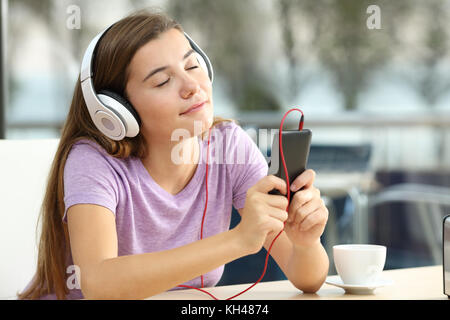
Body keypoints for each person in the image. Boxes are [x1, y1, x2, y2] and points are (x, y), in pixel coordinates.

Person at [18, 9, 329, 300]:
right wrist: (238, 240)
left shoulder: (229, 145)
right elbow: (99, 283)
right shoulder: (92, 160)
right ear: (116, 111)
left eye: (192, 66)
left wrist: (305, 244)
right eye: (162, 81)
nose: (192, 86)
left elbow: (308, 279)